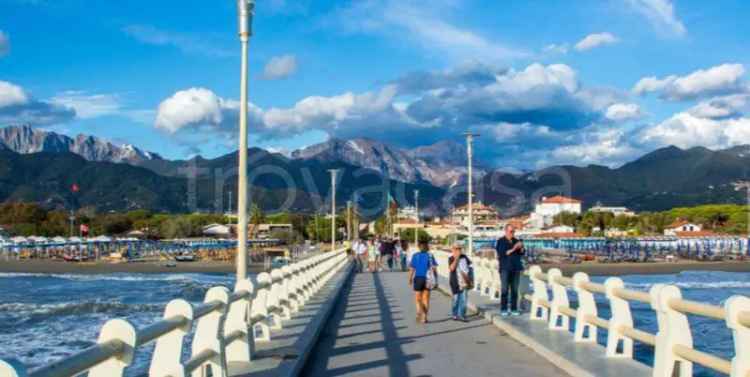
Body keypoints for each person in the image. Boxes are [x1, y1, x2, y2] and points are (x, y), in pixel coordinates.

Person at [495, 224, 524, 316]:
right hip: (505, 268)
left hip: (516, 268)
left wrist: (522, 248)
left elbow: (521, 253)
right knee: (504, 290)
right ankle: (504, 309)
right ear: (506, 231)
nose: (512, 233)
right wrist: (514, 248)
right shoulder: (501, 241)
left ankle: (514, 308)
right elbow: (504, 253)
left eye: (514, 231)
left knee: (515, 290)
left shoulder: (516, 241)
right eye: (511, 231)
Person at [408, 240, 438, 323]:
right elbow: (434, 269)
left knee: (418, 298)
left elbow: (412, 269)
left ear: (419, 247)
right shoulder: (430, 256)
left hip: (418, 278)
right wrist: (436, 280)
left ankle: (419, 311)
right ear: (427, 247)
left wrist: (410, 278)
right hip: (428, 279)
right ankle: (424, 317)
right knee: (426, 299)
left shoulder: (415, 255)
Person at [449, 242, 472, 322]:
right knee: (456, 299)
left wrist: (470, 279)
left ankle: (462, 315)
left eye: (459, 249)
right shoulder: (451, 258)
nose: (458, 250)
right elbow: (452, 268)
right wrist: (457, 258)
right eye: (456, 249)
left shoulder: (465, 257)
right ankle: (455, 314)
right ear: (452, 250)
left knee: (464, 299)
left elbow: (470, 267)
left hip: (464, 281)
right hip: (455, 282)